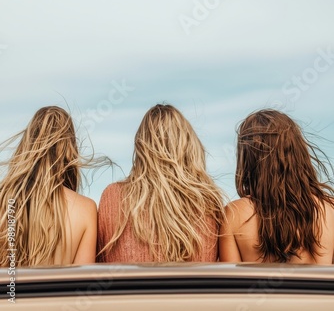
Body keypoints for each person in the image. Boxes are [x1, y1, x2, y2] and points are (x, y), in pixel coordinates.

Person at [97, 103, 226, 262]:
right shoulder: (209, 203)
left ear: (141, 147)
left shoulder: (113, 197)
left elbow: (99, 263)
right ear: (189, 146)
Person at [219, 109, 334, 263]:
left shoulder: (234, 215)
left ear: (246, 159)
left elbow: (230, 284)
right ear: (298, 152)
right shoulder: (330, 209)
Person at [0, 106, 97, 267]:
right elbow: (82, 284)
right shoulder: (85, 208)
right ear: (69, 150)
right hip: (58, 293)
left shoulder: (4, 200)